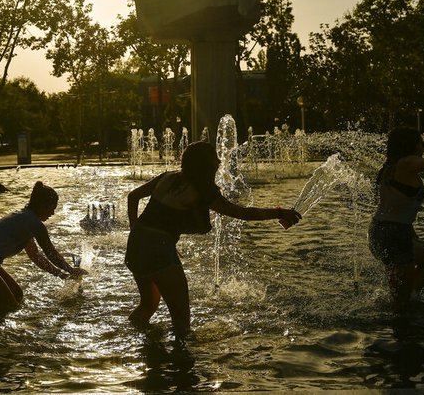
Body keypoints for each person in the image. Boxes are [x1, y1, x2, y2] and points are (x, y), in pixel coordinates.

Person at [125, 141, 302, 336]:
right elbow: (241, 213)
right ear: (206, 166)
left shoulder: (168, 177)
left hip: (136, 243)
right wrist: (279, 213)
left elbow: (133, 196)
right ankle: (179, 363)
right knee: (181, 322)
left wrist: (137, 231)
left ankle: (131, 342)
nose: (219, 161)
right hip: (158, 248)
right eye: (214, 158)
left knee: (147, 307)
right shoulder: (202, 189)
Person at [0, 181, 87, 312]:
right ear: (41, 205)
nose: (52, 213)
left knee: (17, 295)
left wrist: (60, 274)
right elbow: (50, 253)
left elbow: (35, 256)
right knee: (8, 308)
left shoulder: (25, 218)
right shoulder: (33, 223)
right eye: (51, 208)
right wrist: (70, 270)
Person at [368, 127, 424, 311]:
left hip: (383, 230)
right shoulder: (406, 163)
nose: (423, 146)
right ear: (410, 145)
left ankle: (408, 298)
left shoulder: (391, 167)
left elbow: (398, 206)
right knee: (400, 302)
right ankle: (401, 319)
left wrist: (412, 233)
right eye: (420, 142)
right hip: (393, 233)